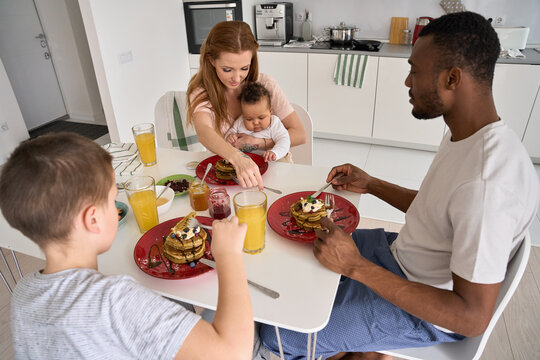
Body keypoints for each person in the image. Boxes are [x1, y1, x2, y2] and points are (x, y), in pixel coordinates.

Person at [259, 11, 539, 360]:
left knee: (276, 333)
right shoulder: (470, 135)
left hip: (426, 309)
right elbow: (440, 212)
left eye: (415, 71)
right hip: (402, 256)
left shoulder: (487, 185)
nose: (408, 82)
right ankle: (361, 348)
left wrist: (355, 267)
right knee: (296, 249)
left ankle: (363, 347)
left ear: (452, 78)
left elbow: (470, 318)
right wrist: (372, 184)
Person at [0, 133, 254, 359]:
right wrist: (229, 254)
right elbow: (233, 353)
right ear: (93, 220)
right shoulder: (115, 302)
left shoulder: (23, 293)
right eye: (113, 200)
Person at [186, 21, 306, 190]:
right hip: (229, 177)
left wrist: (258, 143)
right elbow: (204, 132)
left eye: (244, 68)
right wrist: (237, 157)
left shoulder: (264, 84)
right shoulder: (202, 92)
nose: (237, 78)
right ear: (211, 60)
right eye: (227, 69)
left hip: (273, 174)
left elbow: (300, 134)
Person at [226, 81, 291, 162]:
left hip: (273, 158)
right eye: (249, 119)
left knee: (284, 161)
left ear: (270, 111)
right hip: (250, 161)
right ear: (243, 115)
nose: (256, 122)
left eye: (261, 117)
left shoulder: (274, 123)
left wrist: (275, 152)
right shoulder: (240, 122)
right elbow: (231, 132)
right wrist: (230, 137)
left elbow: (284, 140)